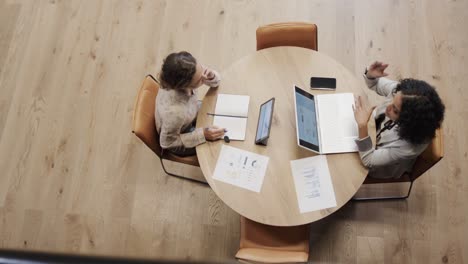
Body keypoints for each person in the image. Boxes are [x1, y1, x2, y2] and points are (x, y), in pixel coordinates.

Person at [353, 61, 445, 179]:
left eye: (395, 111)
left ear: (408, 122)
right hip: (369, 130)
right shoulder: (403, 95)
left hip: (375, 164)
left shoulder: (408, 147)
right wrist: (371, 75)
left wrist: (362, 126)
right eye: (392, 99)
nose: (387, 107)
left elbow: (368, 160)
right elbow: (375, 83)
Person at [155, 51, 225, 156]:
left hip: (189, 113)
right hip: (180, 137)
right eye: (200, 81)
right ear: (184, 86)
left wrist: (211, 76)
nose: (204, 76)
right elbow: (167, 143)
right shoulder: (176, 113)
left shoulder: (177, 75)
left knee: (218, 110)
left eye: (201, 67)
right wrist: (203, 135)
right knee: (217, 147)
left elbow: (212, 81)